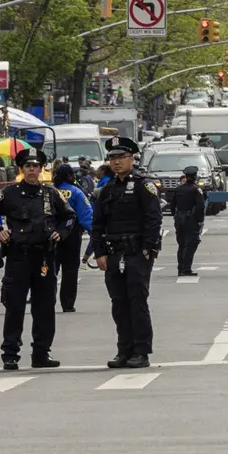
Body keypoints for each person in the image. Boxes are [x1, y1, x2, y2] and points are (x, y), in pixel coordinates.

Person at [0, 149, 70, 370]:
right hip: (19, 257)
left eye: (35, 166)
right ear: (22, 169)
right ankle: (10, 354)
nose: (32, 170)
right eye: (28, 166)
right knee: (15, 307)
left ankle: (41, 353)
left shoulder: (51, 194)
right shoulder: (8, 193)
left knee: (45, 308)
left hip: (44, 258)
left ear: (41, 169)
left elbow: (69, 217)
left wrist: (61, 232)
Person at [92, 137, 163, 368]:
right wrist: (99, 253)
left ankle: (141, 351)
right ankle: (124, 350)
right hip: (114, 253)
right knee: (118, 304)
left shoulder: (144, 186)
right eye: (113, 158)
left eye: (121, 157)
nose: (117, 162)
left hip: (137, 253)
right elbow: (97, 224)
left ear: (132, 158)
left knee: (137, 302)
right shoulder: (106, 189)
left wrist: (148, 249)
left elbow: (154, 219)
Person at [51, 163, 94, 312]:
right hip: (72, 235)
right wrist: (95, 233)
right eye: (72, 174)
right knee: (70, 270)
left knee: (50, 270)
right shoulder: (76, 192)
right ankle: (67, 304)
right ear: (69, 176)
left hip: (51, 235)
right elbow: (86, 215)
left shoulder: (50, 190)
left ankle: (47, 301)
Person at [170, 166, 206, 277]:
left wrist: (175, 216)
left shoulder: (179, 189)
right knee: (191, 243)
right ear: (195, 177)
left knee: (181, 243)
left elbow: (172, 205)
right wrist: (199, 220)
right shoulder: (196, 189)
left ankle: (180, 267)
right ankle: (186, 268)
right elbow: (200, 206)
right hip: (190, 218)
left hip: (179, 217)